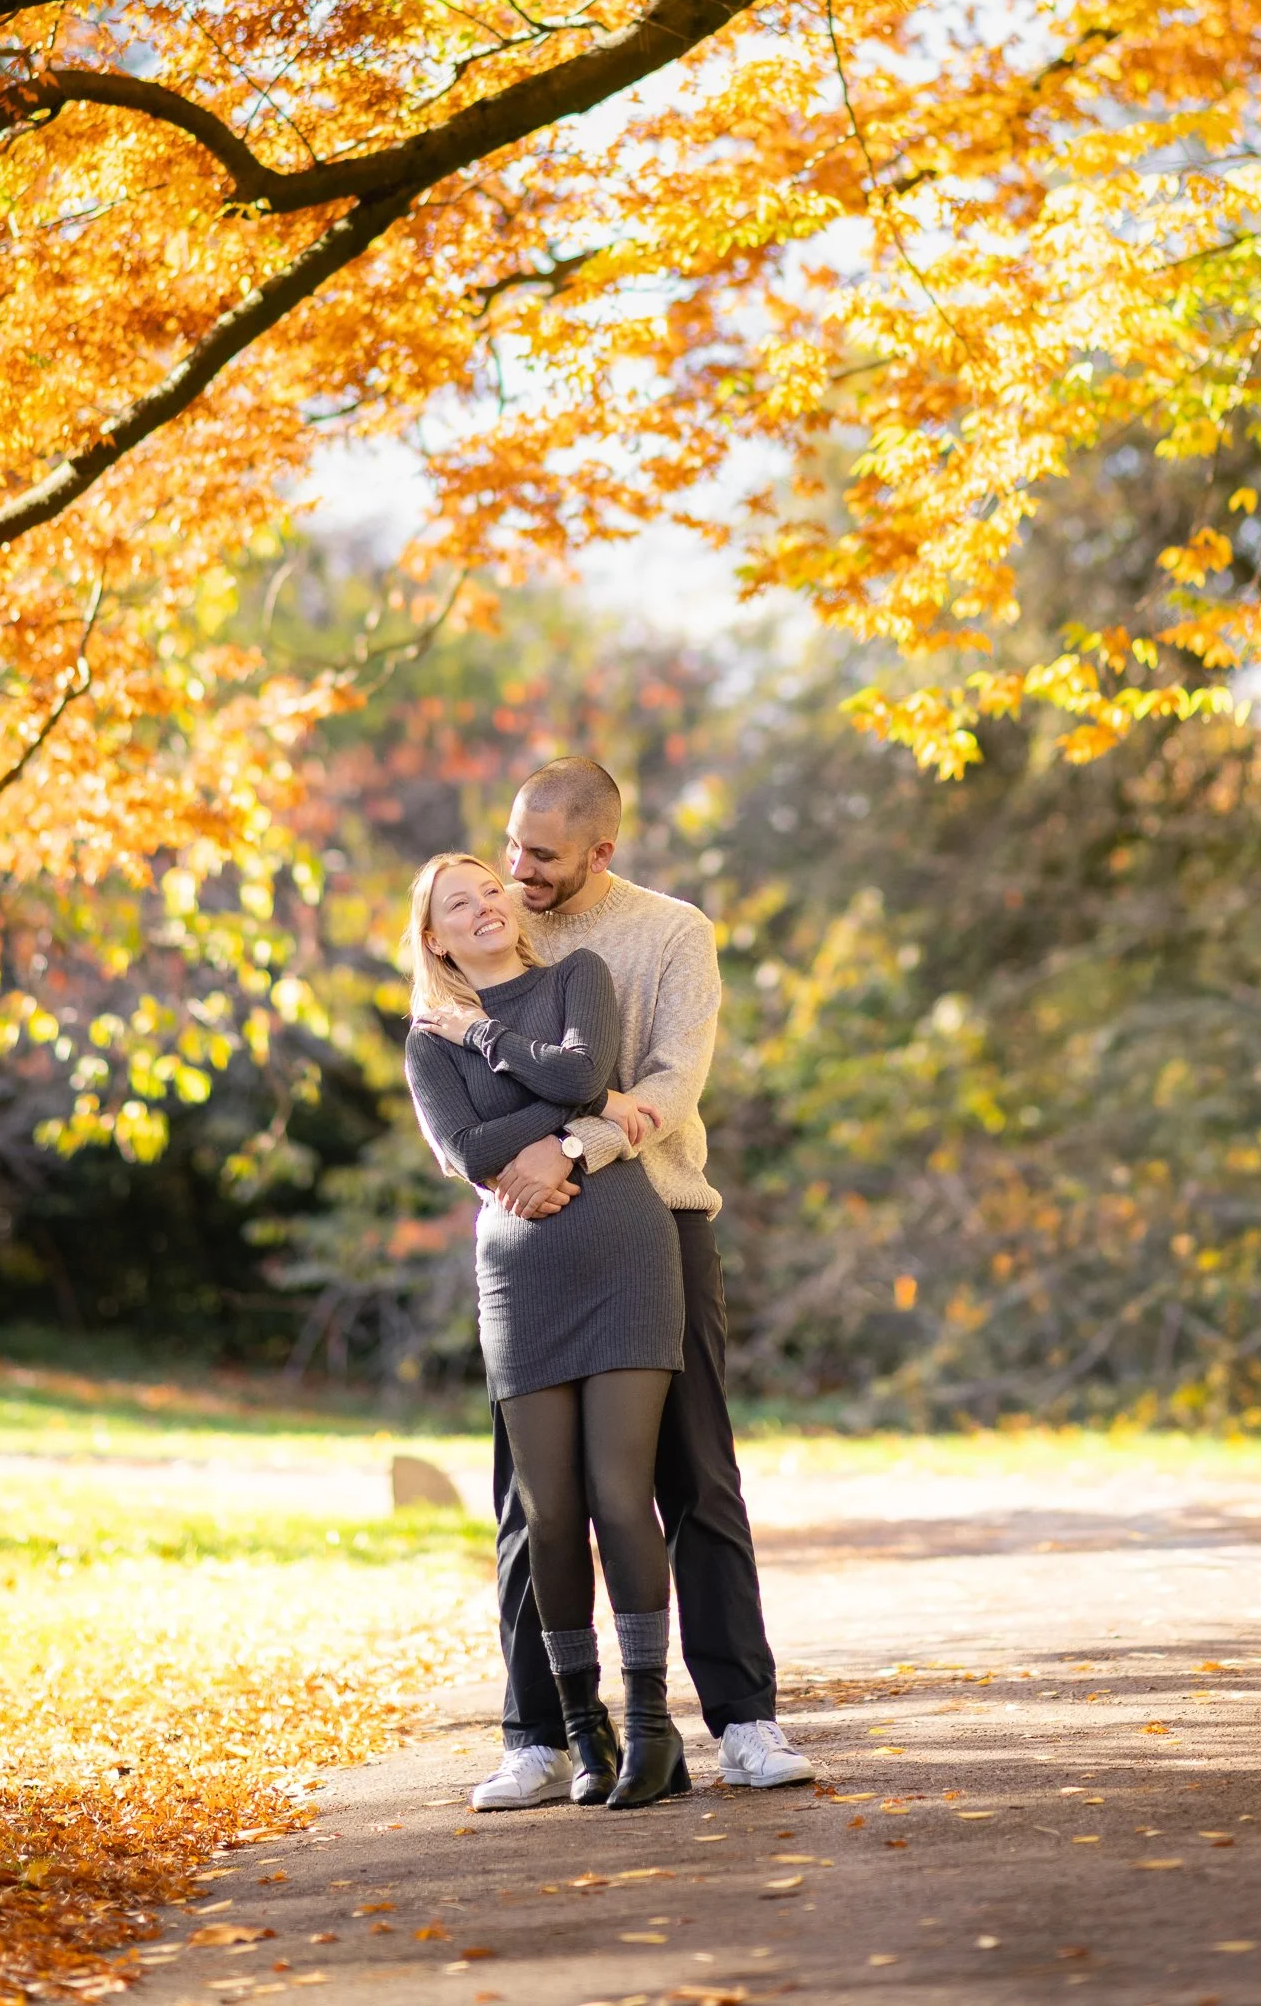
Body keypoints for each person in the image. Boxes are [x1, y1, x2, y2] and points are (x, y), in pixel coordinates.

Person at [466, 756, 815, 1811]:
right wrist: (503, 1167)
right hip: (525, 1233)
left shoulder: (669, 933)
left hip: (656, 1218)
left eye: (543, 855)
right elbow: (449, 1073)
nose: (517, 869)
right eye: (512, 842)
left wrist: (572, 1144)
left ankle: (744, 1721)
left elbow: (671, 1078)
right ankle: (535, 1733)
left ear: (600, 850)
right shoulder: (483, 922)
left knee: (692, 1477)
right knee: (533, 1499)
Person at [401, 849, 692, 1810]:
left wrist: (501, 1045)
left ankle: (653, 1726)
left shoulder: (578, 976)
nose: (486, 904)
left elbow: (587, 1071)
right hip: (521, 1279)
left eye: (491, 888)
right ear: (434, 936)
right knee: (550, 1512)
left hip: (622, 1254)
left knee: (618, 1497)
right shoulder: (423, 1042)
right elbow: (466, 1149)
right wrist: (569, 1105)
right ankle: (584, 1733)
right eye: (460, 902)